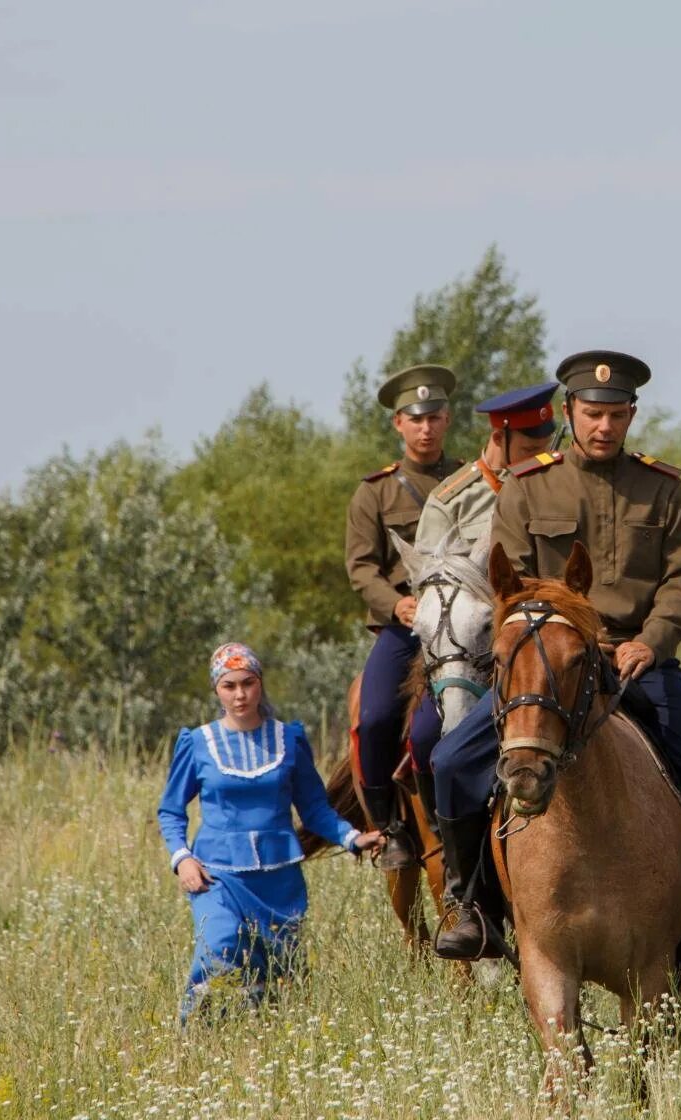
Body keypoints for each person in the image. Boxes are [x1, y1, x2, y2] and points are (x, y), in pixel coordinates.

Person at [429, 350, 681, 980]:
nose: (604, 425)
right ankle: (473, 909)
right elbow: (511, 580)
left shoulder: (664, 488)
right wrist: (567, 636)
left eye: (617, 414)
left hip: (638, 661)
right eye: (593, 413)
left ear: (631, 415)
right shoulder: (527, 484)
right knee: (448, 763)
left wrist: (651, 641)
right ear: (570, 411)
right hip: (550, 660)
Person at [158, 643, 383, 1025]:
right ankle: (195, 1038)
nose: (240, 694)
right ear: (216, 690)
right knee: (220, 944)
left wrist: (352, 838)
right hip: (217, 874)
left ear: (261, 684)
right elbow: (170, 810)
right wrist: (183, 859)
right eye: (229, 686)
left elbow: (313, 808)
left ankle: (264, 1040)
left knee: (283, 966)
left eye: (248, 683)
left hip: (280, 876)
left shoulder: (289, 740)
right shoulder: (197, 744)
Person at [408, 383, 558, 784]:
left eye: (544, 449)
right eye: (529, 451)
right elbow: (428, 586)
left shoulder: (552, 486)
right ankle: (435, 833)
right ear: (499, 438)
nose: (539, 459)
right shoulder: (449, 500)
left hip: (537, 635)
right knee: (422, 735)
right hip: (465, 648)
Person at [345, 363, 460, 872]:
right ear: (398, 424)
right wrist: (396, 604)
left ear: (448, 419)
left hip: (462, 627)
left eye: (434, 417)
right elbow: (361, 567)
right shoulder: (375, 492)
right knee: (372, 719)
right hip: (406, 627)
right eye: (416, 419)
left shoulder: (469, 480)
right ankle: (389, 826)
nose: (426, 428)